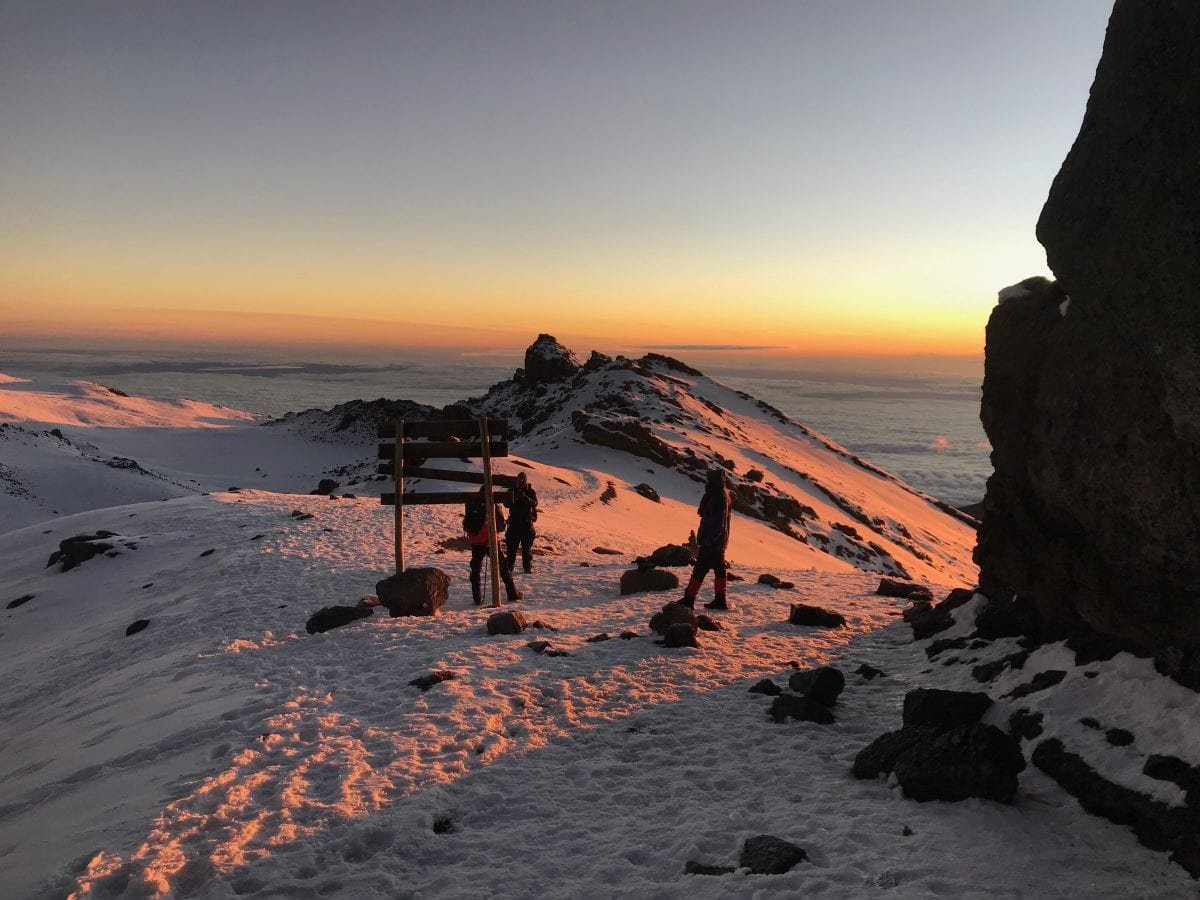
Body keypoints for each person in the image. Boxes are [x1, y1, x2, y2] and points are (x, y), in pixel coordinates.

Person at [678, 468, 732, 610]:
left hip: (712, 541)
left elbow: (716, 522)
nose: (706, 482)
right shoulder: (723, 494)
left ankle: (689, 599)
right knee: (719, 569)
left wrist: (709, 540)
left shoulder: (717, 496)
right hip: (719, 541)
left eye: (709, 480)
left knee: (700, 569)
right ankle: (720, 600)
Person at [463, 487, 522, 605]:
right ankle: (512, 594)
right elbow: (500, 526)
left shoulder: (472, 504)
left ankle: (477, 598)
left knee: (476, 569)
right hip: (491, 541)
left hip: (476, 541)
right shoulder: (493, 504)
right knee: (503, 566)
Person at [505, 471, 539, 575]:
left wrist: (524, 497)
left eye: (523, 479)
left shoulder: (530, 491)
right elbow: (506, 503)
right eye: (520, 479)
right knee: (511, 549)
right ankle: (509, 568)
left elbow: (535, 503)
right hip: (514, 524)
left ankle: (527, 567)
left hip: (526, 524)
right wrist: (514, 497)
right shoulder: (512, 490)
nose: (522, 481)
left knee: (526, 549)